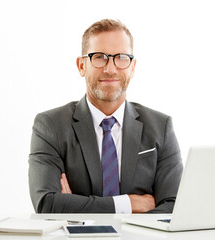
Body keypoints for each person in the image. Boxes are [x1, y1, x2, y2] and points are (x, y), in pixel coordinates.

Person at [28, 19, 183, 213]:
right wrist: (128, 204)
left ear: (132, 67)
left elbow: (175, 207)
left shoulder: (161, 127)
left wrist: (74, 206)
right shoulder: (50, 126)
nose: (110, 68)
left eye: (121, 57)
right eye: (99, 57)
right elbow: (47, 204)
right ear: (81, 65)